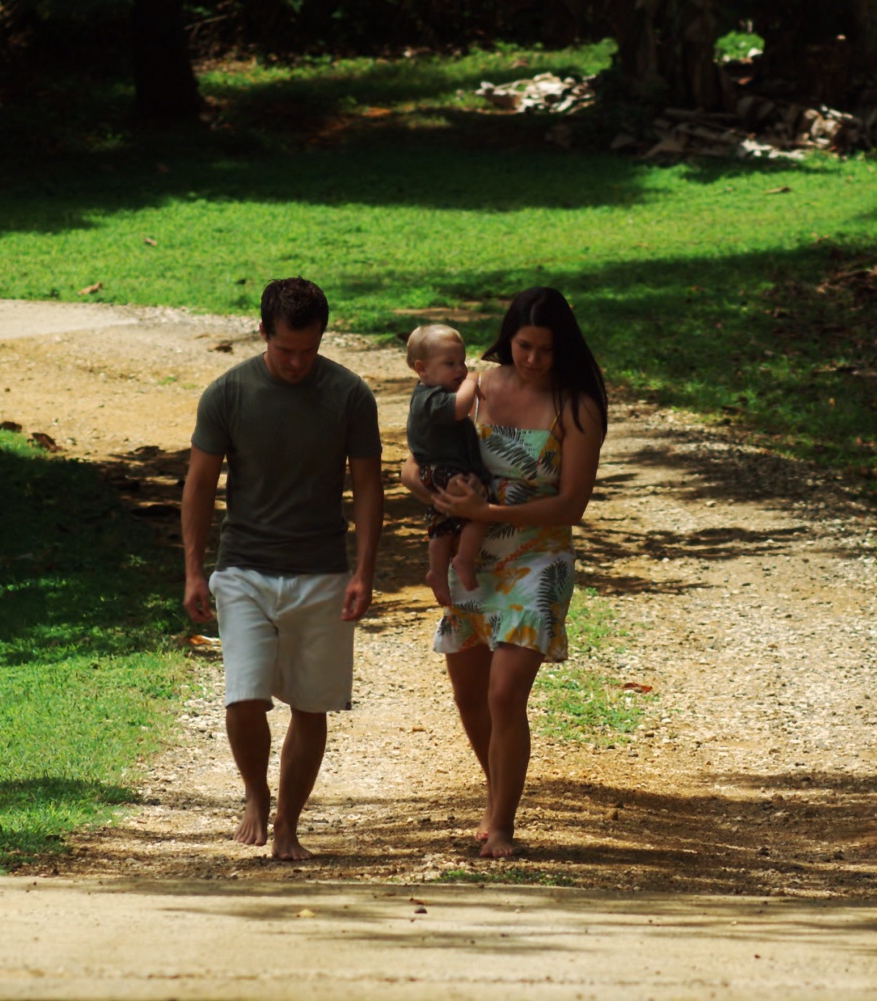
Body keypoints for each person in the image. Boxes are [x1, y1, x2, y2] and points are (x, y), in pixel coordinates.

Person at [401, 286, 608, 859]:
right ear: (508, 339)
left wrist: (484, 511)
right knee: (469, 696)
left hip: (539, 557)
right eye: (523, 346)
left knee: (503, 693)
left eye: (545, 350)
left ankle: (501, 824)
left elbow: (572, 506)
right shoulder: (477, 386)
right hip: (475, 558)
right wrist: (429, 488)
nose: (533, 360)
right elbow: (413, 457)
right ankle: (497, 795)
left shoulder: (577, 406)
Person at [181, 276, 383, 861]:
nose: (297, 362)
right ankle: (254, 795)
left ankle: (289, 823)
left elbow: (368, 488)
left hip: (322, 570)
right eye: (285, 349)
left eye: (309, 350)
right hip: (244, 566)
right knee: (243, 696)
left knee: (309, 703)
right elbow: (198, 487)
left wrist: (364, 572)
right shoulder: (228, 393)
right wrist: (195, 571)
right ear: (263, 332)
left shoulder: (349, 396)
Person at [404, 323, 491, 607]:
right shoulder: (431, 397)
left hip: (434, 472)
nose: (461, 370)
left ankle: (437, 572)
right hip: (443, 470)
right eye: (450, 364)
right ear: (422, 369)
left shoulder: (429, 394)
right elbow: (460, 408)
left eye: (463, 362)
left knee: (442, 524)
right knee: (479, 508)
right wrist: (472, 382)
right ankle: (464, 560)